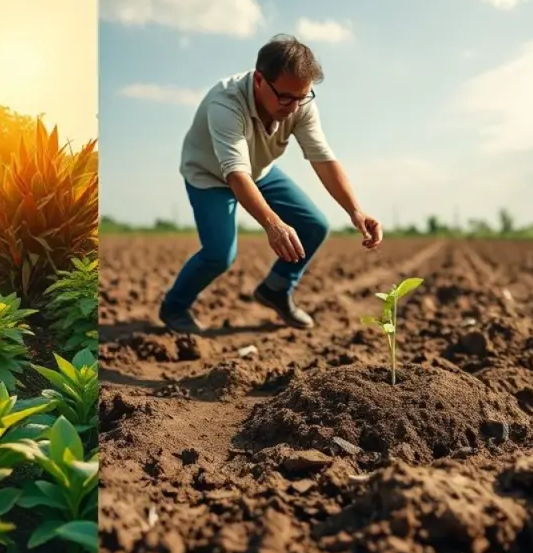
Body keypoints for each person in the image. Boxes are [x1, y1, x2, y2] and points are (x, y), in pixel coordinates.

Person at [158, 34, 383, 334]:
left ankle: (275, 290)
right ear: (260, 80)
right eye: (286, 97)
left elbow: (323, 159)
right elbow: (236, 174)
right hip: (210, 176)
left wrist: (355, 210)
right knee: (219, 254)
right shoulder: (225, 103)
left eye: (302, 96)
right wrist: (273, 223)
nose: (293, 106)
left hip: (260, 170)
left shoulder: (300, 102)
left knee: (314, 225)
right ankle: (174, 307)